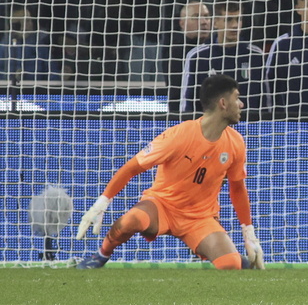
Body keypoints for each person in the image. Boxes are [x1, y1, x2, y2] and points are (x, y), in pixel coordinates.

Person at [75, 74, 265, 270]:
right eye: (237, 98)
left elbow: (237, 188)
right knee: (130, 222)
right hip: (162, 205)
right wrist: (103, 201)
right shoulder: (179, 136)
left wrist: (248, 233)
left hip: (200, 218)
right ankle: (101, 255)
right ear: (223, 103)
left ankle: (236, 258)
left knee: (231, 265)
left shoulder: (236, 142)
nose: (241, 104)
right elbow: (132, 167)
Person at [180, 2, 265, 115]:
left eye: (238, 19)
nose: (235, 25)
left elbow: (266, 100)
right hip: (210, 129)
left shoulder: (255, 55)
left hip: (249, 128)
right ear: (215, 23)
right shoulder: (197, 56)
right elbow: (187, 101)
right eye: (229, 20)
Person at [164, 1, 212, 113]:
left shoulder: (215, 49)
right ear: (182, 23)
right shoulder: (175, 52)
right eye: (196, 17)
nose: (204, 22)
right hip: (186, 117)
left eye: (206, 17)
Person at [0, 7, 55, 82]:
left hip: (36, 91)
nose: (29, 24)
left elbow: (52, 72)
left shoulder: (40, 46)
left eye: (29, 20)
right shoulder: (4, 46)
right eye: (24, 21)